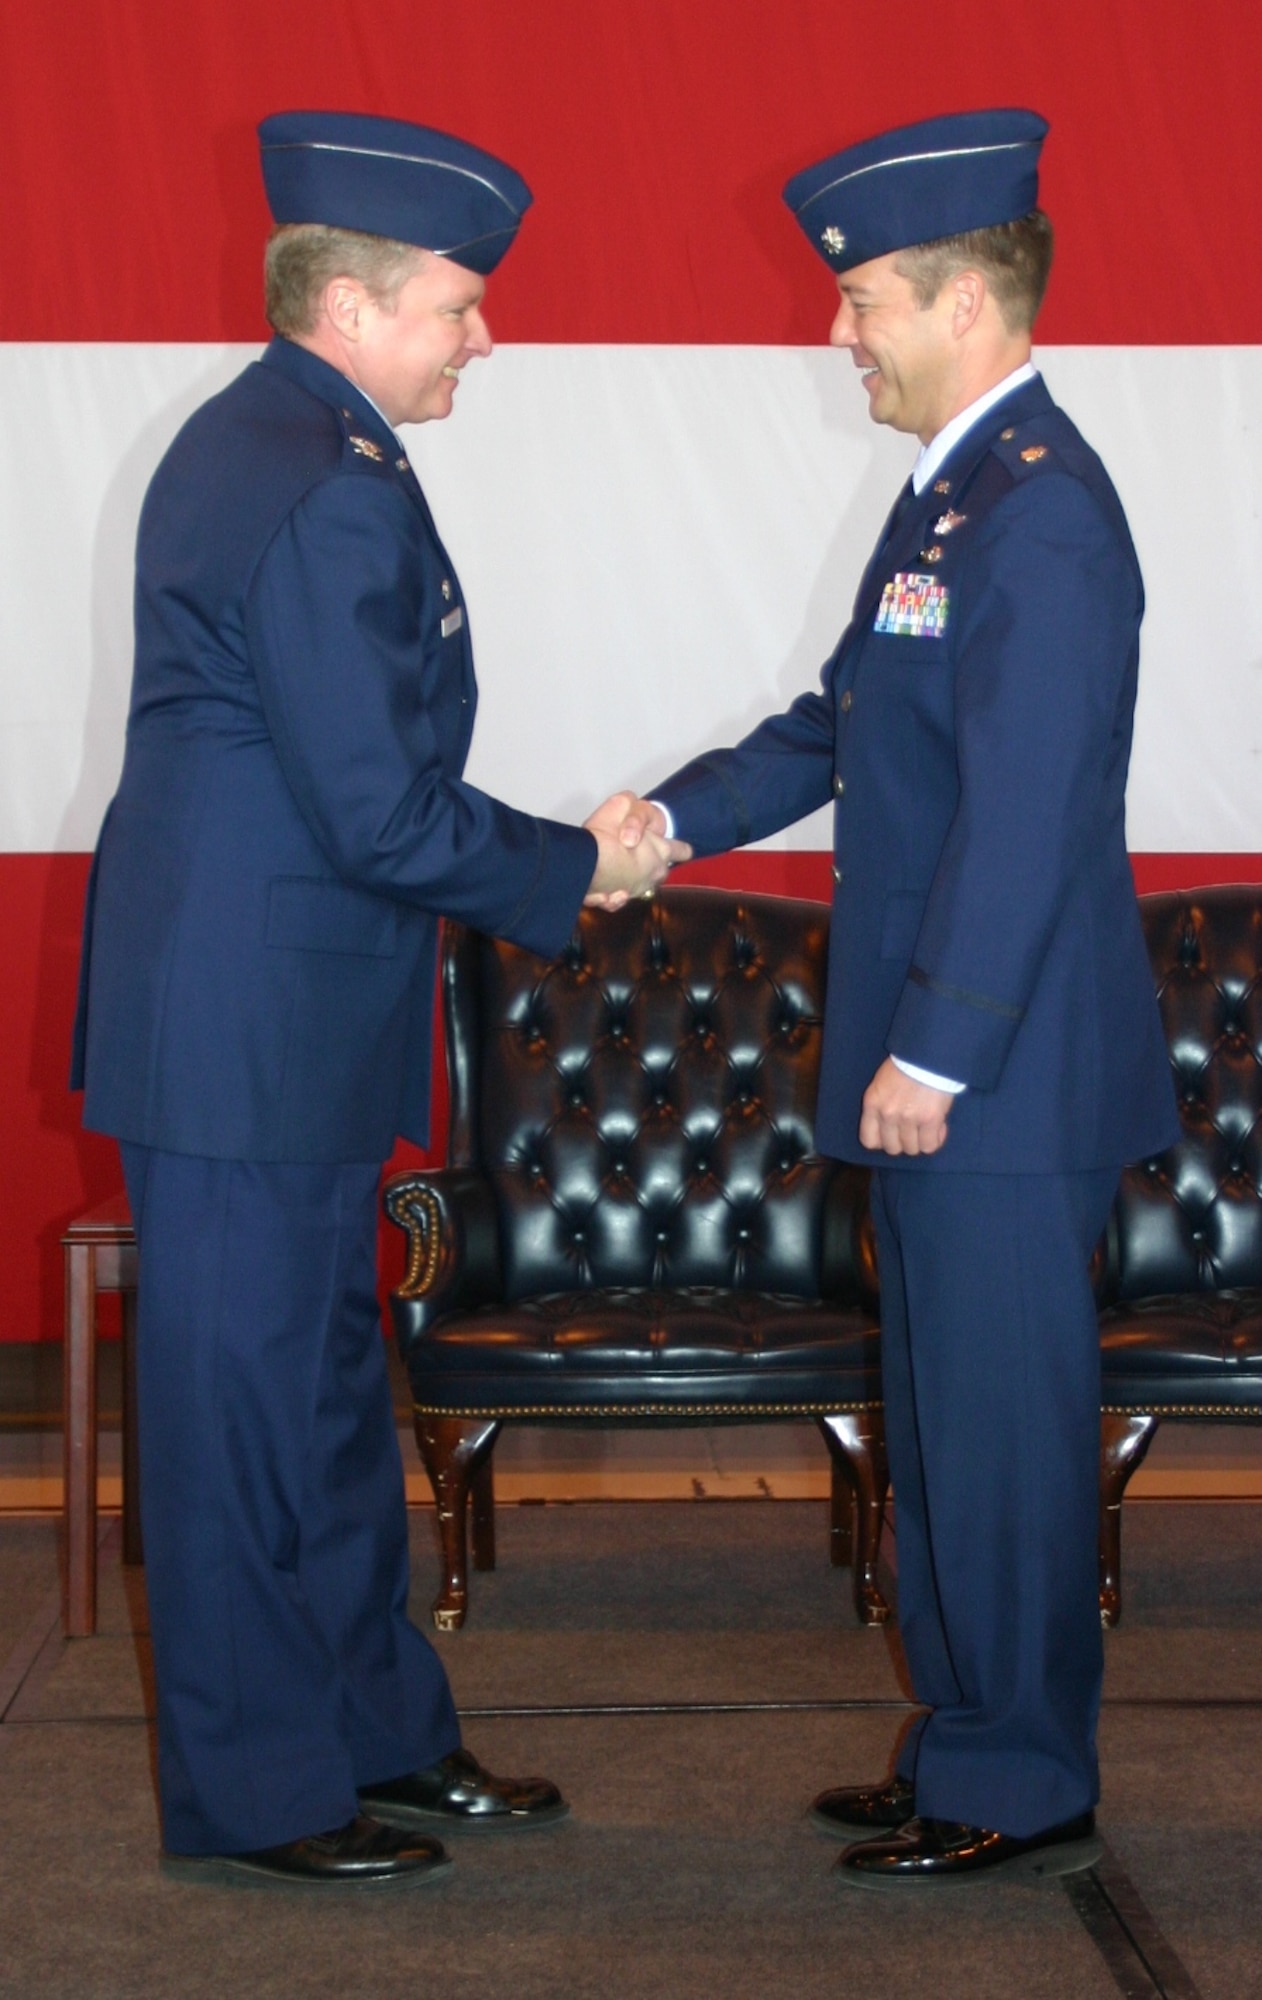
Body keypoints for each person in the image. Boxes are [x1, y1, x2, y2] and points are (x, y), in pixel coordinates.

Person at [70, 109, 684, 1890]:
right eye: (460, 308)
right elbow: (379, 807)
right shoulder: (315, 470)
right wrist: (581, 868)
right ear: (352, 302)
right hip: (249, 1027)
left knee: (326, 1394)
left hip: (281, 1014)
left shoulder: (292, 438)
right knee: (247, 1414)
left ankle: (376, 1735)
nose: (483, 339)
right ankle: (265, 1793)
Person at [599, 108, 1178, 1887]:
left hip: (994, 1073)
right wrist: (669, 818)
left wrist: (934, 1043)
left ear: (963, 303)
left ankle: (1020, 1774)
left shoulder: (1044, 518)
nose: (836, 332)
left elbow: (1024, 815)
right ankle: (963, 1740)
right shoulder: (955, 498)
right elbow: (837, 729)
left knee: (1000, 1427)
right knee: (943, 1417)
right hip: (957, 1067)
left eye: (858, 300)